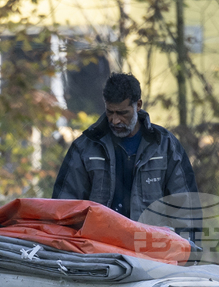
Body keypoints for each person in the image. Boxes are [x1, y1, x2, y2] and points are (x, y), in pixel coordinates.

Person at [52, 72, 198, 223]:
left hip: (149, 238)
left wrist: (184, 239)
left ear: (138, 105)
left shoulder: (165, 146)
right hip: (99, 237)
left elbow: (186, 209)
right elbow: (64, 207)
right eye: (110, 112)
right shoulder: (85, 147)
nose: (115, 120)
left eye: (122, 113)